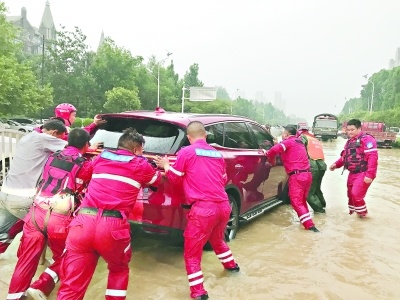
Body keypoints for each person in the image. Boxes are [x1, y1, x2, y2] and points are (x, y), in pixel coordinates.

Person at [57, 128, 162, 300]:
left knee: (72, 283)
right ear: (136, 150)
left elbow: (83, 173)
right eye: (141, 151)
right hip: (112, 228)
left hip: (82, 223)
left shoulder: (101, 157)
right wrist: (159, 165)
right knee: (118, 269)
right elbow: (157, 181)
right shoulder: (140, 164)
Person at [155, 121, 240, 300]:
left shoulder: (186, 152)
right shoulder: (217, 154)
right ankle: (232, 267)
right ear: (206, 135)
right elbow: (222, 179)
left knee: (191, 254)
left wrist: (165, 165)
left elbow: (176, 178)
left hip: (203, 210)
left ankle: (198, 293)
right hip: (223, 206)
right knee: (217, 239)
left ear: (188, 137)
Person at [6, 128, 93, 300]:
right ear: (86, 145)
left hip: (36, 213)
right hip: (60, 218)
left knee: (25, 261)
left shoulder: (51, 156)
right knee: (66, 256)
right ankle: (41, 285)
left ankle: (13, 297)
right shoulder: (85, 164)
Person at [0, 120, 67, 254]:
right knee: (40, 230)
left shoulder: (28, 136)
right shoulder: (44, 138)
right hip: (22, 198)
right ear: (53, 133)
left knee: (3, 232)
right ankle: (50, 261)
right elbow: (74, 148)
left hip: (5, 193)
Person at [266, 126, 319, 232]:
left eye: (283, 133)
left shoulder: (288, 142)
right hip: (307, 175)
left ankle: (310, 226)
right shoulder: (299, 141)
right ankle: (305, 221)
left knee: (296, 202)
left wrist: (268, 155)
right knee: (302, 201)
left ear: (286, 134)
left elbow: (274, 150)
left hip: (297, 176)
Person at [329, 119, 378, 217]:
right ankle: (353, 217)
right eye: (348, 130)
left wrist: (370, 175)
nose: (350, 132)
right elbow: (345, 157)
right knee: (350, 196)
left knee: (356, 195)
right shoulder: (349, 142)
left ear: (359, 128)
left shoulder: (367, 139)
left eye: (352, 130)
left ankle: (363, 217)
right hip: (352, 173)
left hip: (363, 172)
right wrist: (336, 164)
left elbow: (373, 158)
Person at [297, 127, 327, 213]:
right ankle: (323, 205)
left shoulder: (303, 137)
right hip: (322, 165)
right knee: (317, 188)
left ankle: (320, 211)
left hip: (312, 165)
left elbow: (299, 149)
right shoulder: (314, 139)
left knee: (308, 192)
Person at [35, 103, 106, 138]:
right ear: (65, 115)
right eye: (74, 115)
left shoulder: (45, 127)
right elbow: (76, 136)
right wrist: (94, 124)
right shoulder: (58, 133)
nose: (75, 118)